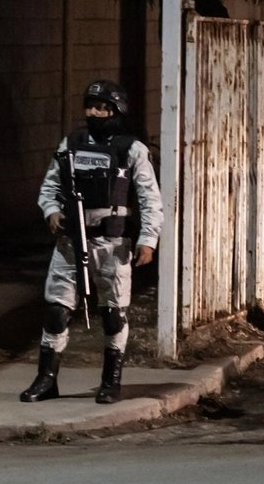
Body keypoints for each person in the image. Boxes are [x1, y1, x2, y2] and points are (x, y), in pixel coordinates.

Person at [20, 79, 164, 405]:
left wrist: (148, 240)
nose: (94, 113)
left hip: (112, 244)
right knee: (57, 312)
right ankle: (46, 379)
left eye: (102, 107)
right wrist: (53, 212)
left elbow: (150, 199)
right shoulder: (71, 143)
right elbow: (50, 186)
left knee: (113, 314)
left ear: (116, 111)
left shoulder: (133, 150)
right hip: (71, 242)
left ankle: (111, 382)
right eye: (90, 106)